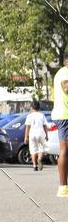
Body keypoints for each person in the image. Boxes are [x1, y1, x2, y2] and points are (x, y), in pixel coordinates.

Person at [51, 57, 68, 197]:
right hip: (65, 115)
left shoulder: (60, 73)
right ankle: (63, 188)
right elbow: (66, 88)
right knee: (64, 150)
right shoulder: (65, 72)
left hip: (62, 113)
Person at [24, 101, 49, 172]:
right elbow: (45, 126)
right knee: (41, 148)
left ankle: (35, 166)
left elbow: (27, 127)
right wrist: (47, 135)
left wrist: (26, 137)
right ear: (39, 107)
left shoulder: (29, 116)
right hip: (41, 133)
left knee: (33, 150)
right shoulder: (42, 115)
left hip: (32, 134)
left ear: (32, 107)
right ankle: (39, 159)